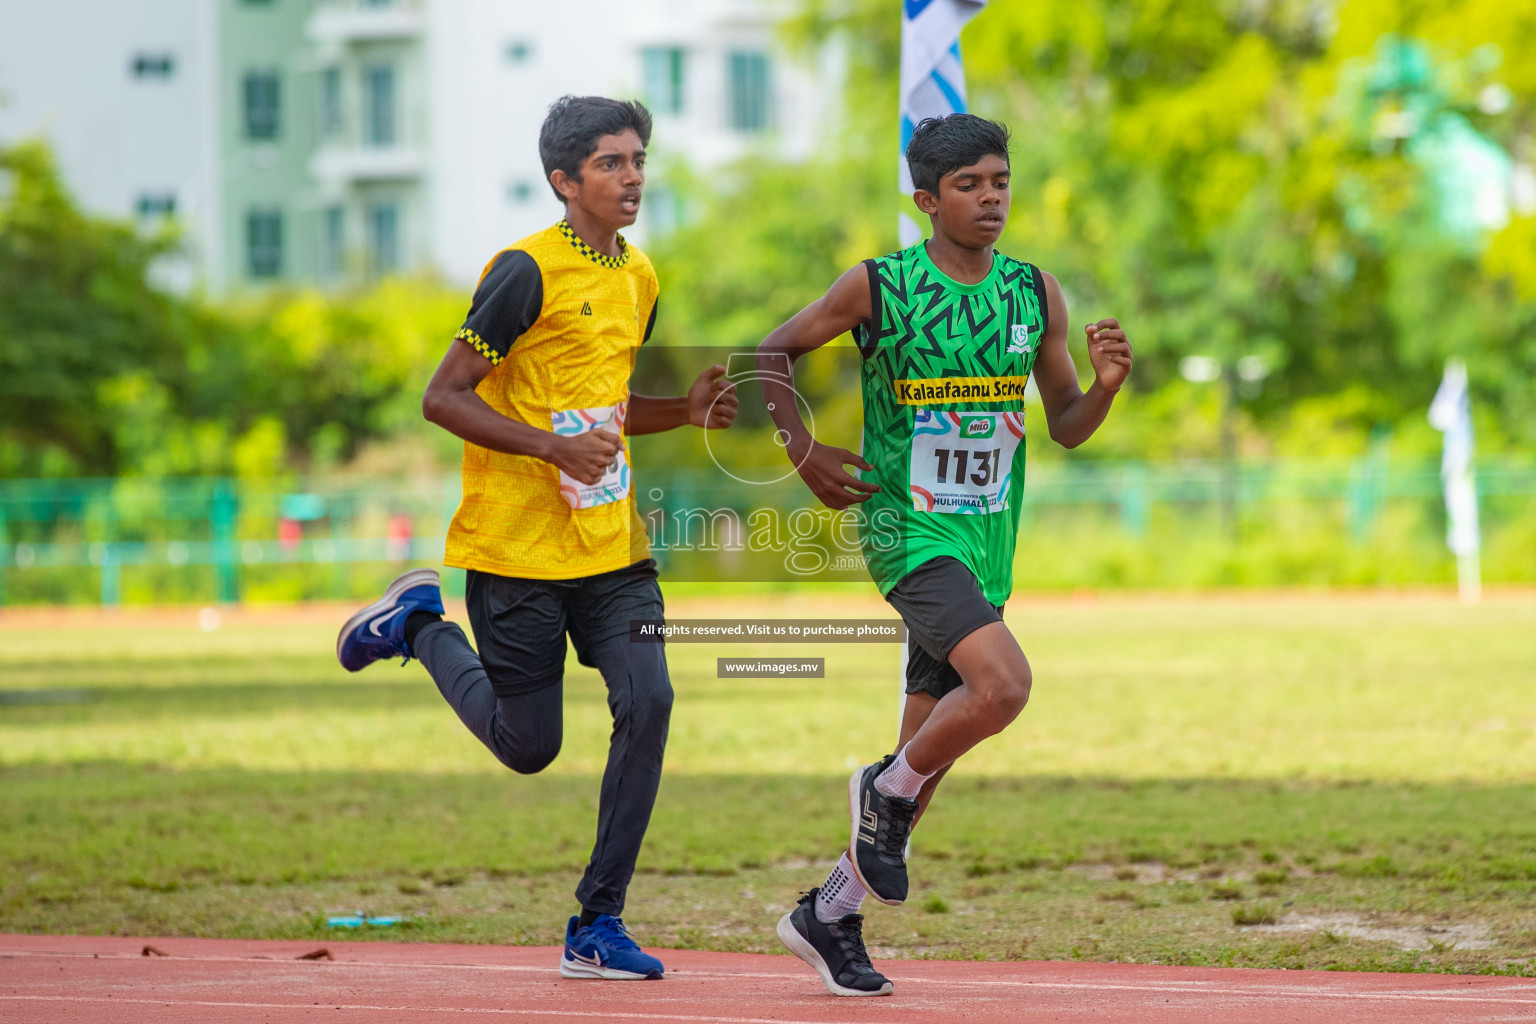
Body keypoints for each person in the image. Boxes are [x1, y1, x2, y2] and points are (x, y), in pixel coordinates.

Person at [336, 95, 738, 981]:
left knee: (652, 699)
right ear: (563, 180)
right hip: (515, 552)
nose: (631, 176)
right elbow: (444, 397)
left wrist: (687, 411)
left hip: (613, 552)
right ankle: (417, 626)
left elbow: (610, 412)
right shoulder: (523, 272)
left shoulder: (641, 278)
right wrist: (552, 447)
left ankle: (598, 922)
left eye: (637, 159)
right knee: (529, 747)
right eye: (609, 164)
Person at [756, 113, 1133, 996]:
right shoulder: (879, 288)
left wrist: (1105, 390)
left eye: (1000, 180)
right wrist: (803, 452)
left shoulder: (1035, 295)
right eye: (969, 185)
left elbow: (1068, 425)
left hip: (985, 541)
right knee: (1003, 687)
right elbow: (770, 353)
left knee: (925, 760)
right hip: (906, 531)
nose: (991, 197)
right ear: (927, 200)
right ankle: (878, 792)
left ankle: (829, 914)